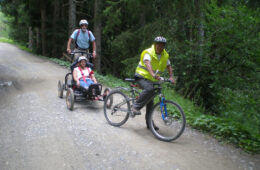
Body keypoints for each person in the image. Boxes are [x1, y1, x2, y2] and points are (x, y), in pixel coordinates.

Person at [132, 36, 175, 129]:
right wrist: (152, 74)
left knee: (150, 102)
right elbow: (147, 63)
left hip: (152, 79)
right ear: (155, 45)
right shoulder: (149, 52)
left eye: (162, 45)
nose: (160, 47)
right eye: (158, 45)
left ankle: (149, 124)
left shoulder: (165, 55)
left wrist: (171, 77)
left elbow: (169, 66)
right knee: (149, 89)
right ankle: (135, 107)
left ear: (164, 46)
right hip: (141, 76)